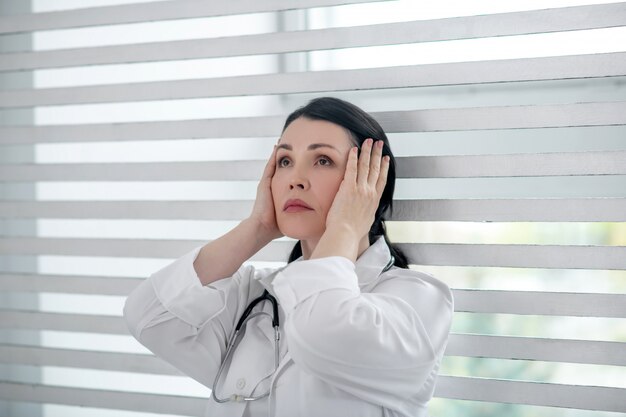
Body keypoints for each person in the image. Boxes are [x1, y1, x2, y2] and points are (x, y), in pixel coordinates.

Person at [123, 97, 453, 417]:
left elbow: (320, 328)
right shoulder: (255, 296)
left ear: (368, 182)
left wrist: (347, 226)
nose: (295, 179)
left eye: (322, 160)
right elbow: (149, 316)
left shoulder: (416, 303)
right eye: (285, 161)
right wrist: (258, 226)